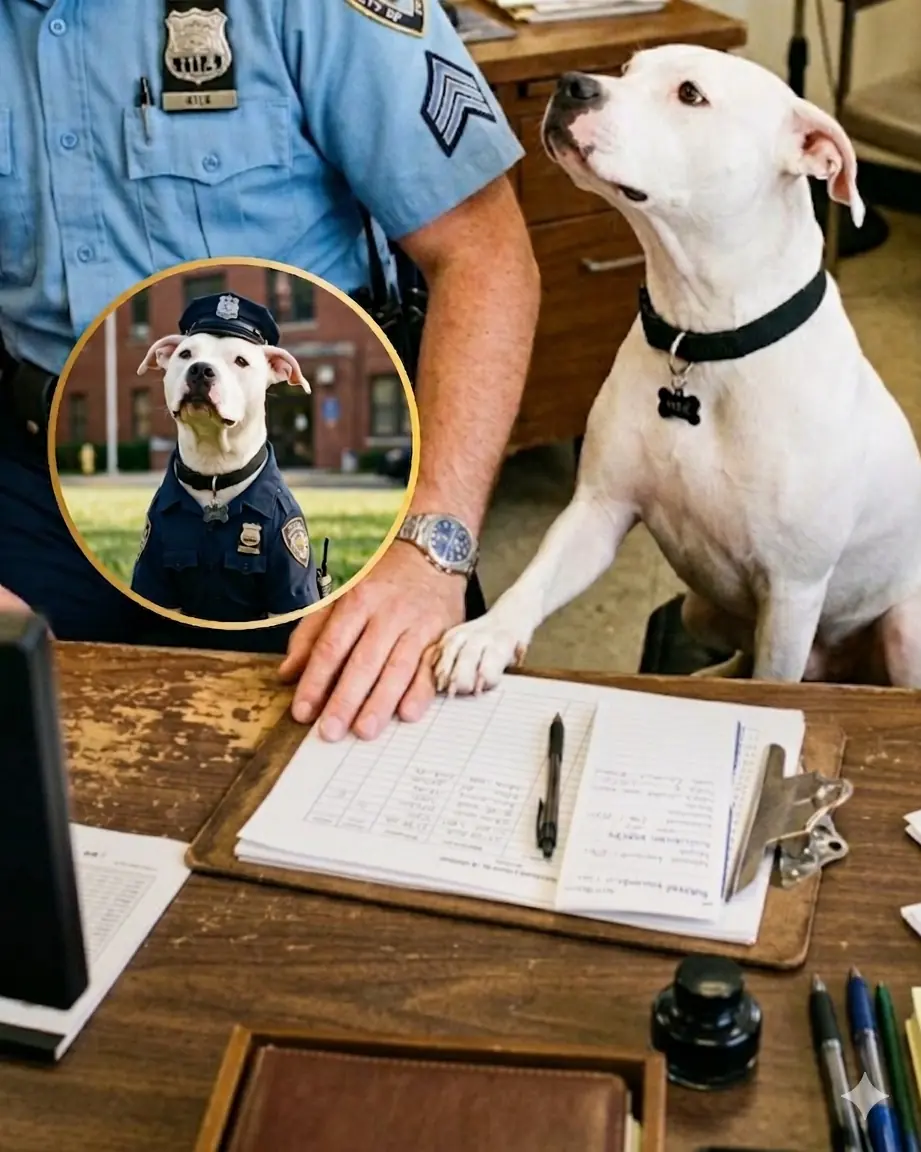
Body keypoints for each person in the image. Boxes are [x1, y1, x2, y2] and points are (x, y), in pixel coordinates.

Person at [0, 0, 541, 729]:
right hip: (38, 495)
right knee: (41, 810)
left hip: (320, 488)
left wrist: (430, 550)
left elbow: (483, 254)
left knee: (357, 778)